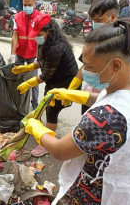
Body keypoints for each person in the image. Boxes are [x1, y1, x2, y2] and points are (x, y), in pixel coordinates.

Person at [25, 19, 130, 205]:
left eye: (90, 67)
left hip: (96, 195)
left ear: (116, 65)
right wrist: (72, 94)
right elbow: (111, 101)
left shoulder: (105, 118)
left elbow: (59, 150)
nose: (85, 72)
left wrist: (36, 128)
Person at [12, 15, 78, 157]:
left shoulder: (56, 47)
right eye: (34, 33)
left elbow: (46, 75)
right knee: (48, 107)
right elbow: (41, 62)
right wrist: (25, 68)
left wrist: (28, 83)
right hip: (54, 80)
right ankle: (45, 133)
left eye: (39, 33)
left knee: (51, 111)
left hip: (65, 84)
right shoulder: (45, 42)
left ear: (48, 30)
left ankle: (48, 144)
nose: (36, 36)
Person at [67, 0, 130, 114]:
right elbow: (85, 65)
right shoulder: (97, 35)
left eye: (98, 20)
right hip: (91, 93)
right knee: (88, 123)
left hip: (115, 98)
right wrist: (73, 86)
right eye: (93, 20)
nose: (94, 24)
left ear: (113, 16)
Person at [11, 0, 43, 110]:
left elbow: (41, 39)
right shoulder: (17, 17)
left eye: (30, 4)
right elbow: (15, 36)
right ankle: (16, 98)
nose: (27, 7)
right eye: (25, 4)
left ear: (35, 4)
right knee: (16, 75)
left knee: (34, 79)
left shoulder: (40, 18)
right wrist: (12, 53)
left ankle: (34, 103)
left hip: (33, 54)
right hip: (20, 52)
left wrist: (39, 56)